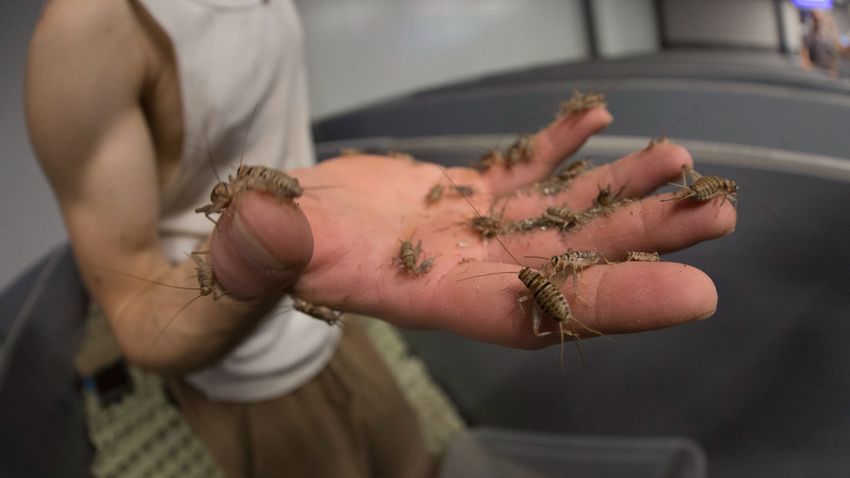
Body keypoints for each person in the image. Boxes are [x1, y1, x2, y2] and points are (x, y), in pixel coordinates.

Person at [25, 0, 736, 476]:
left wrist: (336, 199)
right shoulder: (90, 32)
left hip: (346, 318)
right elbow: (137, 316)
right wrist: (247, 270)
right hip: (242, 379)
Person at [801, 9, 842, 77]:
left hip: (828, 69)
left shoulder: (829, 34)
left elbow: (834, 53)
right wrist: (807, 65)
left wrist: (833, 69)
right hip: (815, 69)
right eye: (814, 16)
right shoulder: (809, 35)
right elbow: (805, 52)